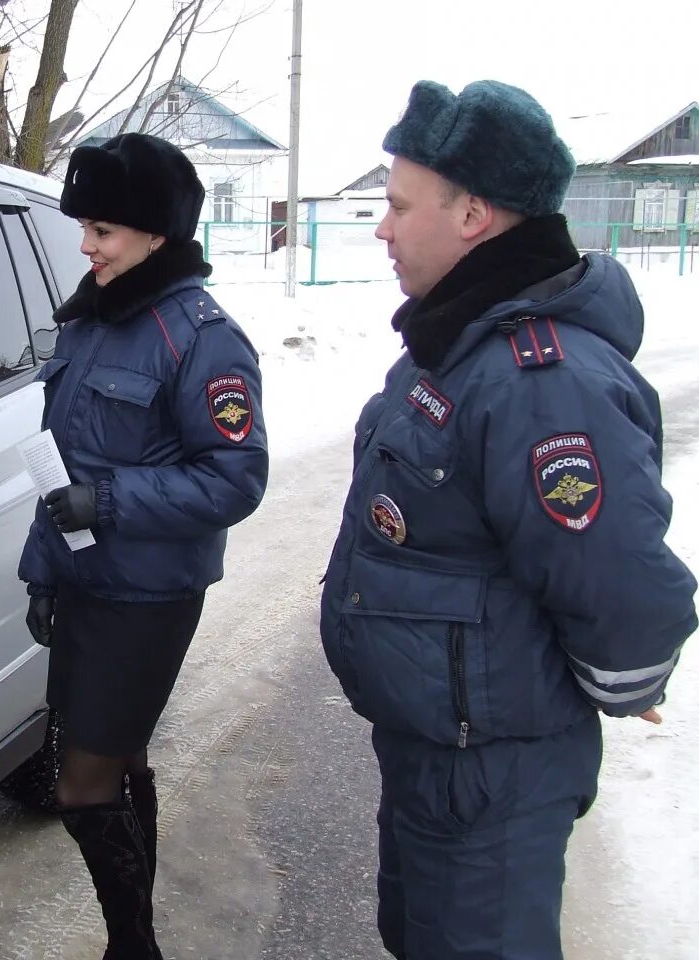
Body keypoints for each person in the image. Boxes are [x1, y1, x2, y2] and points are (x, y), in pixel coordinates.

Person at [319, 79, 698, 960]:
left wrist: (626, 679)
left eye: (398, 206)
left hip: (491, 777)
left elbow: (620, 583)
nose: (382, 227)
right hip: (436, 756)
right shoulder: (458, 344)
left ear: (474, 216)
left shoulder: (541, 380)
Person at [18, 132, 269, 959]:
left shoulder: (201, 337)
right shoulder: (95, 318)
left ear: (158, 234)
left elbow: (235, 478)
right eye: (85, 227)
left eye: (104, 231)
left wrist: (114, 499)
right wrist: (43, 571)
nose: (86, 246)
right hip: (86, 585)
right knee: (118, 761)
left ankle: (133, 947)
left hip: (149, 598)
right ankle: (138, 939)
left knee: (81, 788)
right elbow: (63, 466)